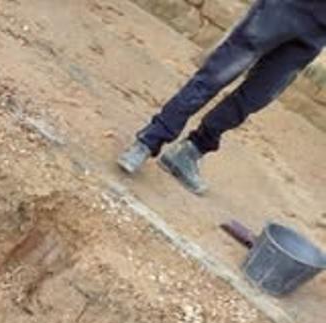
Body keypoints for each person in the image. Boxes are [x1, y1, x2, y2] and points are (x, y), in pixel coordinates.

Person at [118, 0, 326, 194]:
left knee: (257, 96)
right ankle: (149, 141)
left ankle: (191, 150)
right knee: (218, 73)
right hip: (286, 7)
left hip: (317, 32)